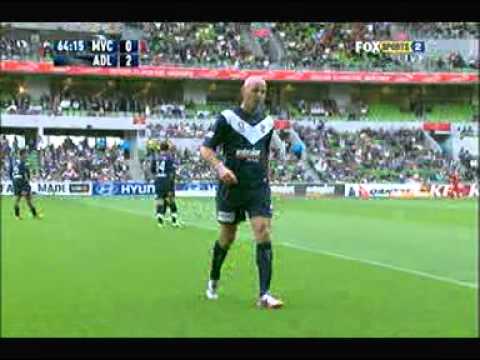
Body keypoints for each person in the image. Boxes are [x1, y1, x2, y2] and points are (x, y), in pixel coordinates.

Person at [200, 76, 284, 309]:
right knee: (228, 237)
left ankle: (264, 294)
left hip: (258, 187)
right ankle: (213, 280)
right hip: (231, 188)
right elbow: (206, 149)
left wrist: (267, 175)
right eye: (255, 90)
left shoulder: (267, 123)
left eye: (263, 91)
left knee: (263, 231)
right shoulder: (227, 118)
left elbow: (265, 155)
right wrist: (220, 167)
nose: (259, 95)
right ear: (244, 91)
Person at [150, 140, 180, 227]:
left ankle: (160, 222)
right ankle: (174, 221)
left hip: (158, 181)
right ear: (168, 149)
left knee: (160, 201)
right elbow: (172, 172)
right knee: (171, 201)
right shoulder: (170, 158)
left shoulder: (156, 158)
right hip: (167, 181)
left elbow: (152, 170)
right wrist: (172, 183)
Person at [10, 148, 41, 220]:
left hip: (15, 181)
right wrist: (27, 183)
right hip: (22, 182)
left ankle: (17, 216)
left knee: (17, 200)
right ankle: (34, 214)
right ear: (22, 154)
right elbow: (26, 175)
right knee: (29, 200)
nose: (27, 155)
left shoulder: (15, 162)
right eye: (26, 153)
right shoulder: (23, 163)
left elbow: (12, 173)